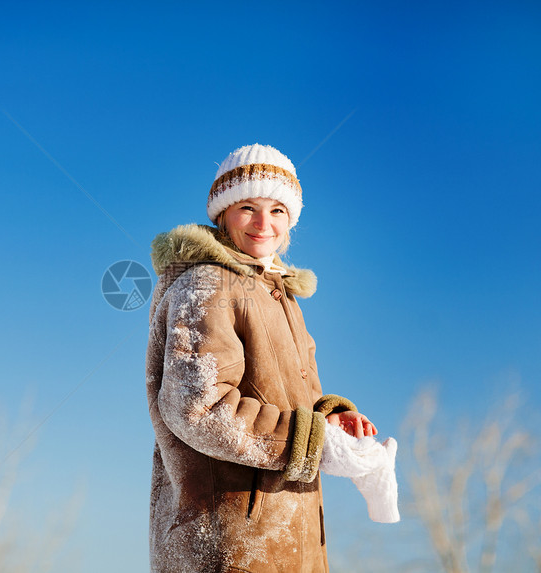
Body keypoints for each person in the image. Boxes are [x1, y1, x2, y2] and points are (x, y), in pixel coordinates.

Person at [145, 144, 383, 573]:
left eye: (277, 210)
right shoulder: (208, 283)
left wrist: (329, 421)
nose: (263, 223)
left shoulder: (282, 297)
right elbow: (198, 409)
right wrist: (308, 441)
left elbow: (296, 402)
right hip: (231, 541)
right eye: (248, 207)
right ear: (224, 214)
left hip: (292, 538)